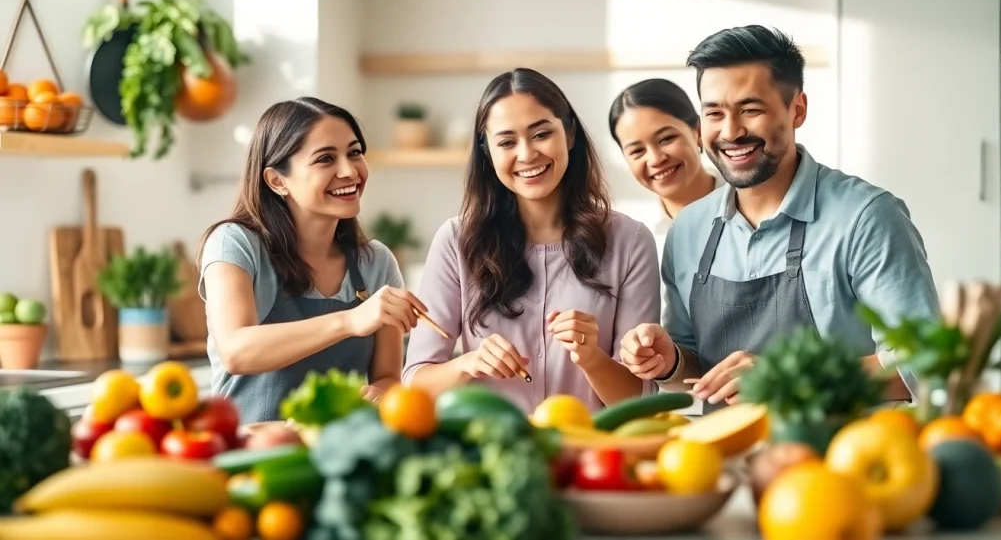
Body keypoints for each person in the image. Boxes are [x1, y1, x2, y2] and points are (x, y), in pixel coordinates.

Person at [619, 26, 939, 413]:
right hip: (723, 449)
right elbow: (693, 373)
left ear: (797, 109)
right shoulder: (688, 229)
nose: (731, 131)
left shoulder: (866, 217)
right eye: (715, 113)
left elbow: (924, 363)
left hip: (841, 449)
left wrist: (786, 379)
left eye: (750, 110)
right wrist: (669, 361)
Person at [402, 68, 662, 414]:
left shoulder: (630, 241)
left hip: (590, 445)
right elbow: (415, 383)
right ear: (488, 152)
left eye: (541, 134)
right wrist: (468, 363)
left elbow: (641, 401)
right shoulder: (456, 241)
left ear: (569, 134)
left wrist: (591, 357)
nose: (526, 155)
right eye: (507, 142)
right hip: (490, 445)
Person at [197, 97, 427, 425]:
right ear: (277, 180)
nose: (350, 171)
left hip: (331, 449)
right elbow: (236, 351)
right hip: (246, 446)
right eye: (325, 159)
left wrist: (379, 394)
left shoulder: (376, 262)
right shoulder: (235, 243)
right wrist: (351, 320)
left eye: (354, 153)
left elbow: (388, 377)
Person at [608, 78, 725, 238]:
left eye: (666, 139)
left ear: (698, 131)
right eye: (637, 151)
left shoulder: (749, 203)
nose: (656, 159)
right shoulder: (632, 236)